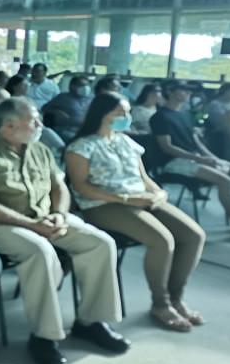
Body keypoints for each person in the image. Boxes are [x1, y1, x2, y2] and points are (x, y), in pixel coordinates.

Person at [0, 97, 130, 364]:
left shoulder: (39, 149)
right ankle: (44, 336)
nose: (40, 124)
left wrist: (60, 215)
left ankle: (91, 322)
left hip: (45, 218)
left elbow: (59, 187)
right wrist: (32, 225)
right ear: (9, 125)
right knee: (41, 251)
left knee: (100, 243)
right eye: (33, 120)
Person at [66, 93, 206, 332]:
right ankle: (160, 304)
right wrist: (126, 199)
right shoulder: (81, 146)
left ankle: (176, 298)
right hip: (103, 204)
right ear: (102, 114)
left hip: (140, 199)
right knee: (162, 241)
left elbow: (143, 178)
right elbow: (81, 187)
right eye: (120, 113)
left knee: (194, 236)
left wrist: (158, 193)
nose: (126, 117)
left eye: (128, 112)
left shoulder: (126, 142)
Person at [150, 81, 230, 244]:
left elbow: (196, 141)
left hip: (194, 157)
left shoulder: (185, 114)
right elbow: (167, 147)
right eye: (184, 90)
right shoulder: (160, 116)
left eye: (189, 91)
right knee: (226, 181)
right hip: (173, 162)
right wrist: (199, 159)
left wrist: (211, 157)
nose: (188, 93)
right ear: (170, 91)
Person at [41, 75, 92, 142]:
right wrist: (56, 111)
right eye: (81, 85)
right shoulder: (62, 97)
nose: (85, 88)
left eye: (87, 85)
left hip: (86, 129)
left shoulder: (92, 98)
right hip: (66, 129)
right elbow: (44, 108)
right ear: (72, 86)